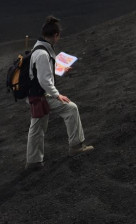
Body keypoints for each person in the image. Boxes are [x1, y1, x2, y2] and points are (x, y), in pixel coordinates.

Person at [25, 16, 93, 171]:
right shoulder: (43, 53)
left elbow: (43, 72)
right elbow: (44, 80)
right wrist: (57, 95)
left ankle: (33, 161)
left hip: (35, 95)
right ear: (55, 35)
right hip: (41, 95)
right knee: (71, 108)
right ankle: (76, 146)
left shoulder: (40, 46)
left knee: (37, 127)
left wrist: (61, 69)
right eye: (58, 36)